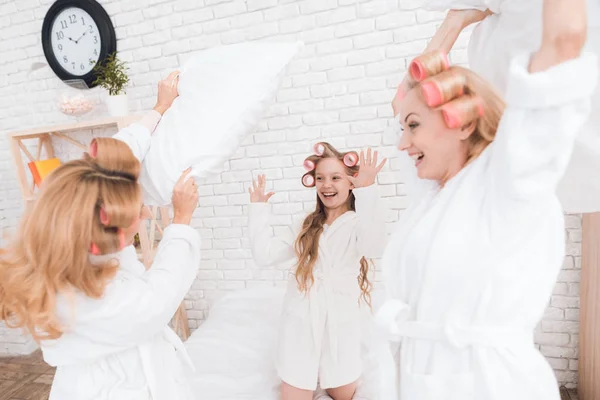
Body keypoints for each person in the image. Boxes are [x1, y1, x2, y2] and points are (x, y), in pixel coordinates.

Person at [376, 0, 597, 399]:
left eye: (412, 127)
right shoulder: (434, 195)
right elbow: (405, 99)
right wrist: (454, 22)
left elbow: (564, 41)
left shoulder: (510, 179)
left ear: (462, 125)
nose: (402, 144)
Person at [0, 72, 202, 400]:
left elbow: (117, 156)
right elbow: (159, 299)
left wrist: (159, 109)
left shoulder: (75, 217)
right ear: (104, 237)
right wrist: (181, 220)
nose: (147, 214)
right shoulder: (94, 302)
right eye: (138, 214)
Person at [248, 143, 387, 400]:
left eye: (336, 177)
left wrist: (368, 190)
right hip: (301, 324)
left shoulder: (358, 223)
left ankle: (331, 375)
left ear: (351, 183)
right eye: (320, 178)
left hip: (340, 323)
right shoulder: (306, 224)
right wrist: (258, 210)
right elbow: (264, 255)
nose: (326, 185)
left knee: (343, 390)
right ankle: (306, 374)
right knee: (295, 388)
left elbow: (374, 244)